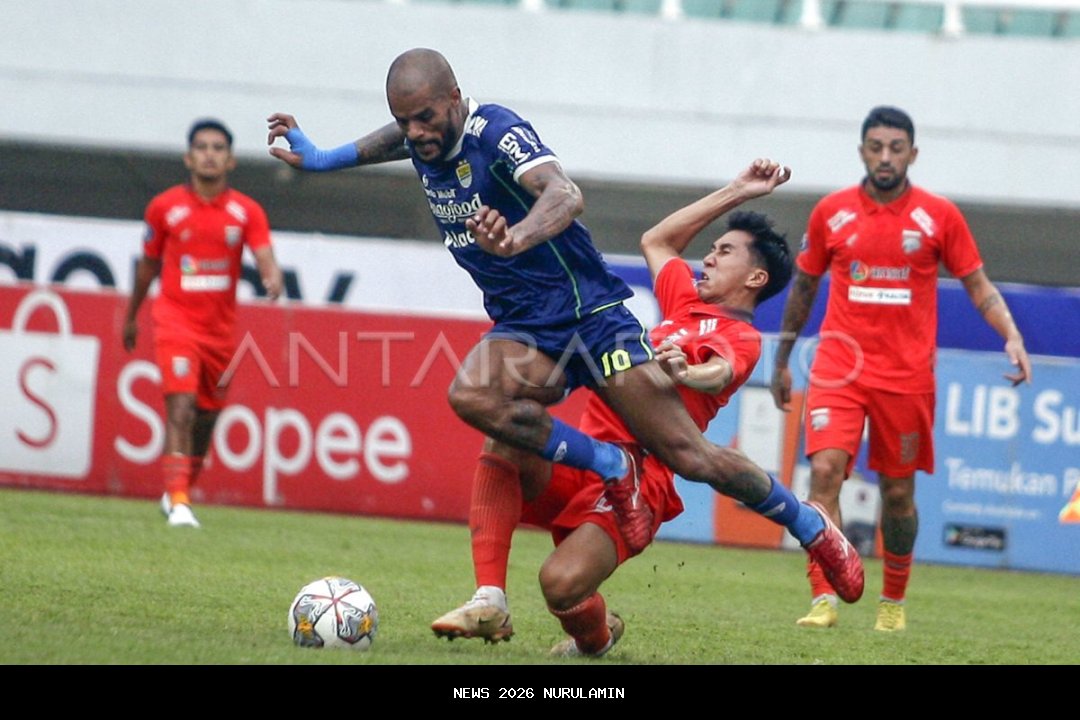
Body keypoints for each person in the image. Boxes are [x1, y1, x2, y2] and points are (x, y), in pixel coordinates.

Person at [267, 48, 862, 611]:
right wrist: (321, 158)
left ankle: (811, 526)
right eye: (405, 121)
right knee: (472, 397)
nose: (417, 133)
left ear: (456, 98)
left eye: (426, 117)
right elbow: (398, 139)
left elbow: (565, 193)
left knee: (691, 456)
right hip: (527, 325)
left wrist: (517, 238)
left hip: (590, 316)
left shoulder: (495, 130)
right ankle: (603, 473)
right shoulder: (422, 137)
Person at [431, 159, 795, 655]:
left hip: (644, 481)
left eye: (723, 251)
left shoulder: (743, 336)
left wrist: (689, 373)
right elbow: (658, 240)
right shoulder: (684, 304)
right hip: (589, 460)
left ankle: (596, 640)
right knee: (506, 428)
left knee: (560, 585)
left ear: (755, 277)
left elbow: (722, 369)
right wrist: (736, 191)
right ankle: (489, 598)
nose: (707, 259)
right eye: (711, 250)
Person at [770, 106, 1032, 632]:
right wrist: (781, 358)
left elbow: (978, 285)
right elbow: (803, 287)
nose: (885, 157)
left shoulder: (939, 216)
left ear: (912, 154)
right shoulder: (831, 213)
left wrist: (1012, 333)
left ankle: (892, 600)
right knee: (823, 473)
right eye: (875, 146)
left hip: (906, 378)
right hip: (840, 368)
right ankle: (824, 597)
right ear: (862, 150)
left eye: (895, 148)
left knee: (897, 494)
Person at [124, 118, 284, 529]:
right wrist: (131, 315)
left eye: (217, 148)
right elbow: (147, 267)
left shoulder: (245, 211)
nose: (209, 154)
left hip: (220, 332)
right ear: (188, 157)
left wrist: (272, 275)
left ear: (229, 160)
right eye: (202, 147)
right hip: (174, 321)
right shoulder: (164, 208)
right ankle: (179, 502)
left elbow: (264, 252)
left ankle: (178, 494)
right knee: (180, 406)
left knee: (207, 418)